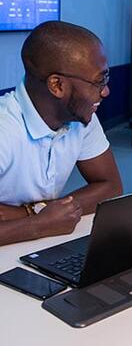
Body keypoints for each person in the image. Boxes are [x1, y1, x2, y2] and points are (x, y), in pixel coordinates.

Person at [0, 21, 122, 246]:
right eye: (98, 81)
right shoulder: (4, 129)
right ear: (57, 85)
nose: (105, 91)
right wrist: (40, 224)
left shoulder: (81, 117)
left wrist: (33, 213)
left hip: (34, 245)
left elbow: (110, 187)